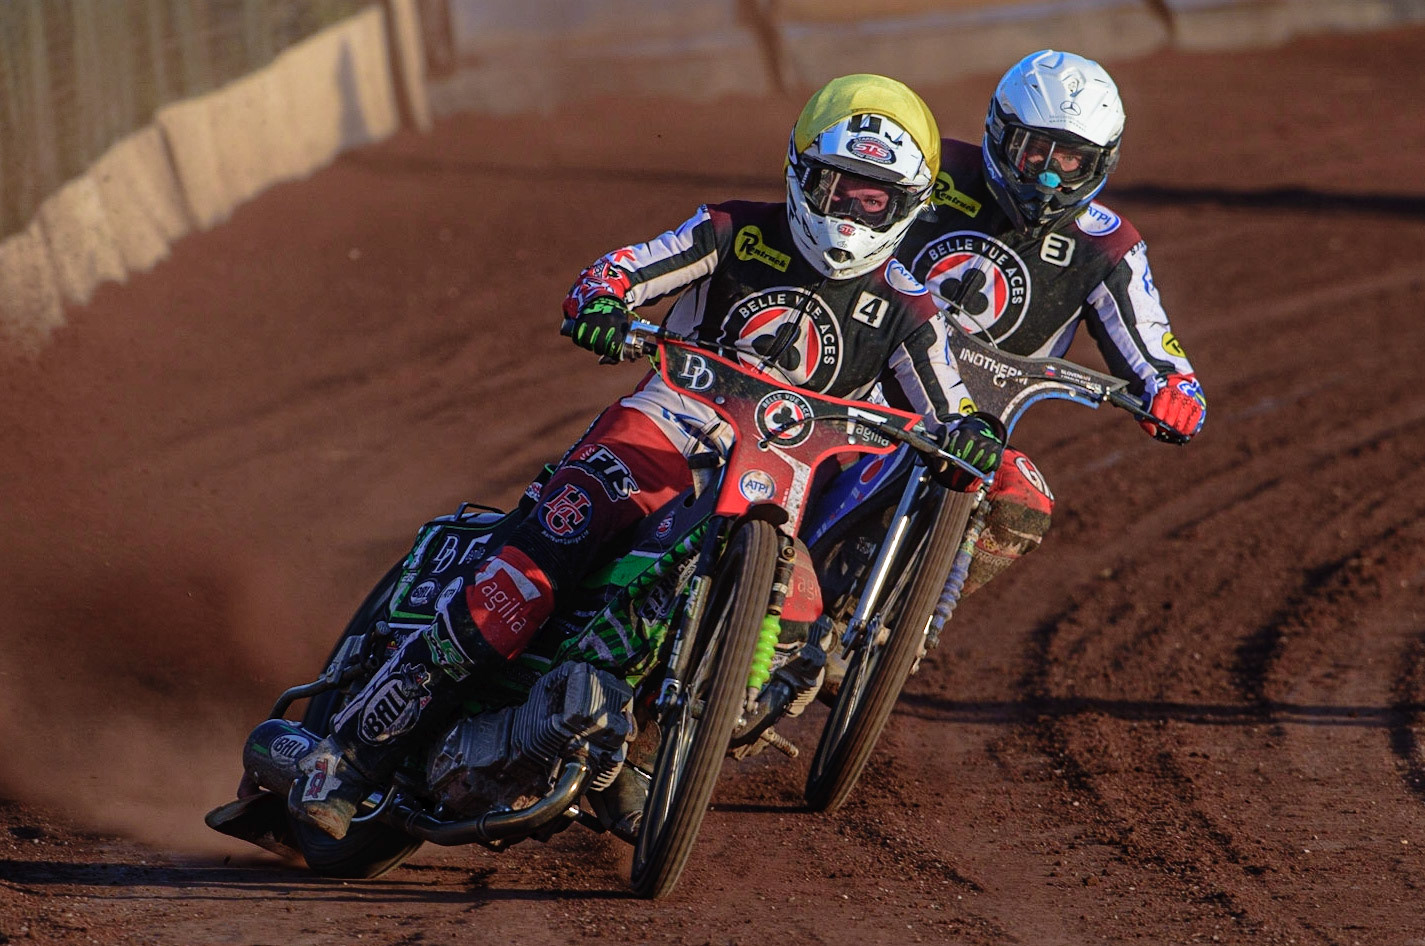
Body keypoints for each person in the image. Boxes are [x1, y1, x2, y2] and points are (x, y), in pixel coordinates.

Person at [288, 73, 1008, 841]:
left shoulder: (908, 305)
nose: (849, 210)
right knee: (528, 577)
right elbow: (624, 268)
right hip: (661, 434)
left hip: (770, 492)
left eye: (873, 198)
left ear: (905, 208)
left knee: (794, 628)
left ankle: (640, 760)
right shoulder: (731, 229)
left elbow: (953, 406)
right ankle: (355, 752)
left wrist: (970, 438)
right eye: (837, 185)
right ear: (802, 174)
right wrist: (600, 302)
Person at [889, 49, 1207, 597]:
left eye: (1072, 162)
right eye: (1036, 152)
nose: (1049, 177)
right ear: (1000, 133)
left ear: (1100, 164)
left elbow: (1155, 351)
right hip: (862, 383)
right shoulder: (927, 172)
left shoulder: (1107, 245)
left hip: (973, 430)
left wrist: (1174, 388)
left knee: (1022, 503)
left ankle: (902, 626)